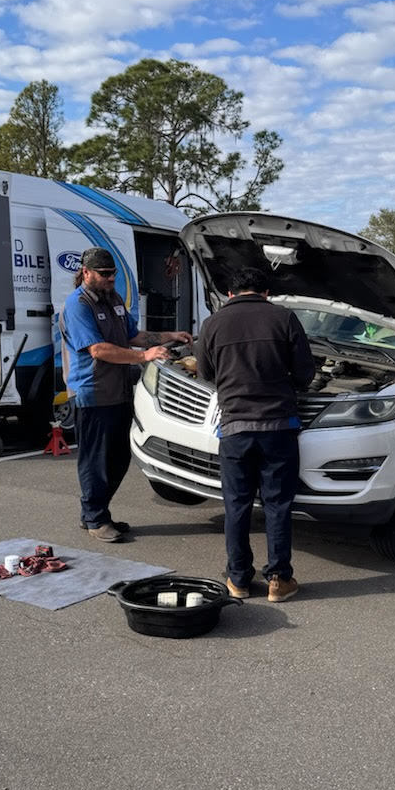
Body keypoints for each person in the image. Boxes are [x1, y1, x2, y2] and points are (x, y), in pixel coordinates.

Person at [195, 266, 315, 602]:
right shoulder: (284, 318)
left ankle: (238, 580)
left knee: (237, 505)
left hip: (234, 428)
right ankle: (279, 580)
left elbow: (206, 373)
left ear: (230, 294)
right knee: (277, 505)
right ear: (266, 293)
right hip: (279, 428)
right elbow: (306, 373)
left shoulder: (212, 323)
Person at [59, 247, 193, 542]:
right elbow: (98, 349)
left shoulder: (114, 300)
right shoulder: (77, 305)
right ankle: (95, 518)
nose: (110, 279)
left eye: (113, 274)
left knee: (118, 458)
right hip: (91, 392)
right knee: (96, 460)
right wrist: (144, 356)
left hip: (118, 391)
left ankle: (95, 512)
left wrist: (169, 336)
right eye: (104, 275)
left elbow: (133, 336)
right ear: (86, 272)